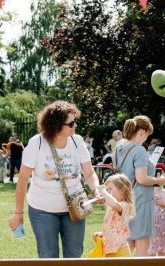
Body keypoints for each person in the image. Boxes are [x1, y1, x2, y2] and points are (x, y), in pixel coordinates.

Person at [8, 101, 101, 258]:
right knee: (48, 256)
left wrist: (96, 190)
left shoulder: (77, 141)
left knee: (74, 255)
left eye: (75, 121)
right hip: (42, 210)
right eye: (71, 123)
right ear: (57, 125)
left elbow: (89, 173)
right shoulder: (37, 143)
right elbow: (23, 179)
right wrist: (18, 212)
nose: (75, 126)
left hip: (76, 207)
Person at [115, 115, 165, 256]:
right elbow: (142, 178)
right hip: (141, 200)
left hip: (124, 199)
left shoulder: (119, 147)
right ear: (142, 132)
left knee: (127, 244)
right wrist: (159, 181)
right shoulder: (139, 150)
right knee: (142, 245)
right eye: (147, 135)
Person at [92, 174, 135, 257]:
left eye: (110, 189)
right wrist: (102, 234)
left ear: (122, 190)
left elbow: (115, 204)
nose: (107, 192)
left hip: (120, 251)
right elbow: (114, 229)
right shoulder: (111, 209)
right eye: (107, 190)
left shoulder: (125, 205)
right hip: (110, 251)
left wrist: (103, 191)